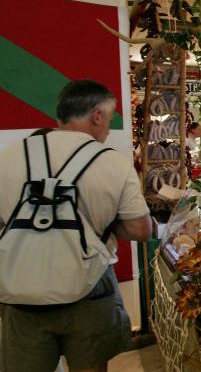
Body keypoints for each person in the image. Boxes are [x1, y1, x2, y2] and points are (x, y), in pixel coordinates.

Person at [0, 80, 152, 371]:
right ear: (96, 115)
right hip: (90, 288)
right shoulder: (112, 163)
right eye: (109, 117)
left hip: (21, 293)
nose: (108, 127)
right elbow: (140, 230)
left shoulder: (10, 156)